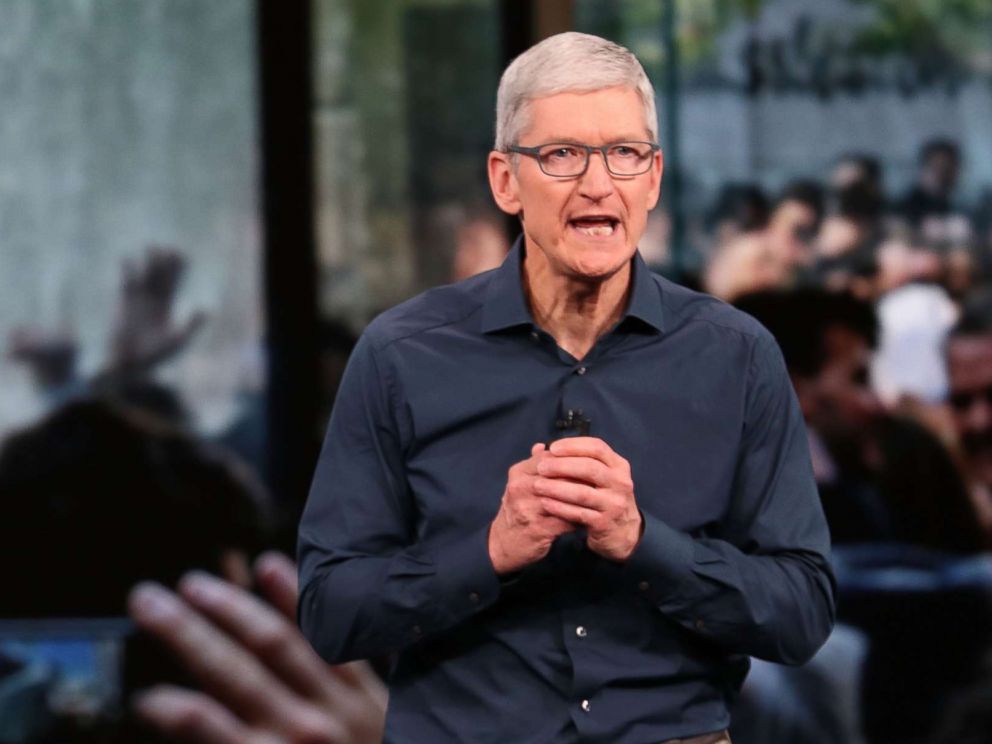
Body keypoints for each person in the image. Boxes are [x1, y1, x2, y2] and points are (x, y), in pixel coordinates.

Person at [298, 32, 835, 743]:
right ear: (504, 180)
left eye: (623, 153)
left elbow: (802, 612)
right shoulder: (403, 354)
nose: (597, 184)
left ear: (653, 178)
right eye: (562, 156)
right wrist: (487, 553)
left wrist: (643, 542)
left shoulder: (736, 357)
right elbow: (332, 611)